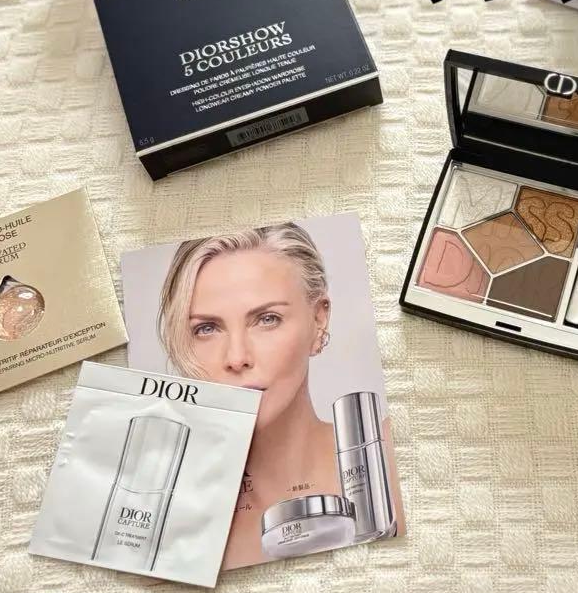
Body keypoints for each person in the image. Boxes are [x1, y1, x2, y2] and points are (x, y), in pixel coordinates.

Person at [157, 221, 399, 567]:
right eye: (207, 328)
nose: (237, 358)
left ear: (318, 320)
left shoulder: (387, 458)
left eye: (267, 319)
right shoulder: (173, 521)